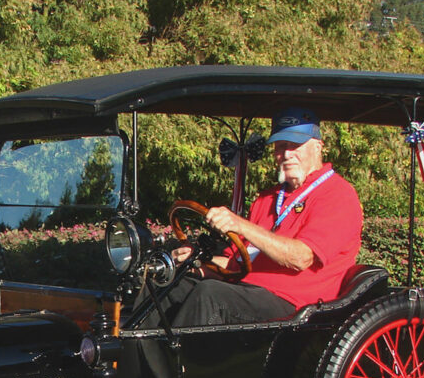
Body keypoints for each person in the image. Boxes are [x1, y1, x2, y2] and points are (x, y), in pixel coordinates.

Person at [148, 107, 363, 328]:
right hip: (247, 292)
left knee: (211, 295)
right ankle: (139, 361)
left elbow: (301, 258)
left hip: (298, 307)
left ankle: (181, 361)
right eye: (280, 147)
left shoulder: (337, 194)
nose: (287, 154)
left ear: (318, 147)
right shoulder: (267, 199)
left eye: (295, 145)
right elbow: (233, 264)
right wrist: (195, 262)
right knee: (164, 285)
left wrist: (239, 224)